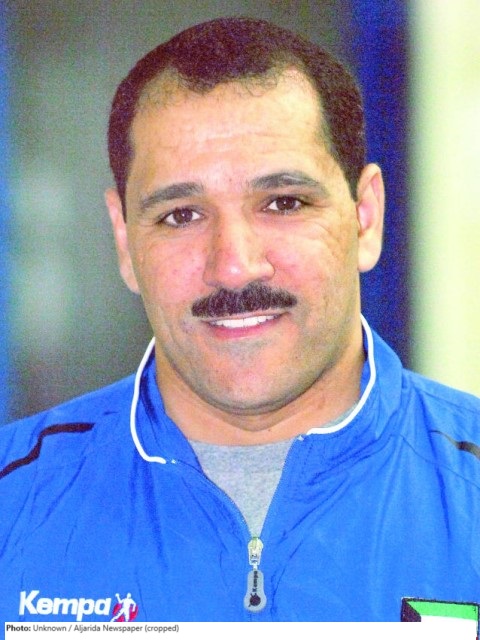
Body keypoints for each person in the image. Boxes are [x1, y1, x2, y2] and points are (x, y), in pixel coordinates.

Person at [1, 16, 479, 625]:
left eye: (284, 203)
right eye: (181, 215)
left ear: (365, 217)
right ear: (123, 239)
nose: (233, 266)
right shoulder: (13, 502)